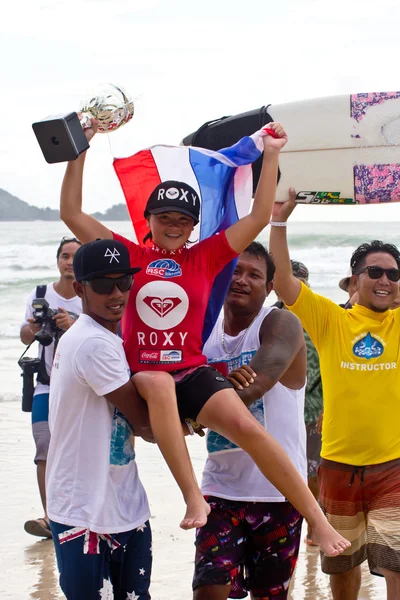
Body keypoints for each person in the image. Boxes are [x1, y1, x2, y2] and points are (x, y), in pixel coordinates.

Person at [58, 116, 350, 556]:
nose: (173, 225)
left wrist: (271, 156)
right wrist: (80, 149)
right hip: (143, 373)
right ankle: (193, 495)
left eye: (183, 219)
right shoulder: (130, 255)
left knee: (248, 429)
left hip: (191, 370)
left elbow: (256, 216)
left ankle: (318, 520)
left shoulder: (206, 256)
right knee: (157, 381)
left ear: (194, 225)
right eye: (164, 217)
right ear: (149, 219)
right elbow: (71, 213)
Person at [270, 188, 400, 600]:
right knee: (343, 566)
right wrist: (278, 221)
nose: (384, 280)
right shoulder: (330, 320)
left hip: (392, 466)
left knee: (397, 560)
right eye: (375, 272)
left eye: (393, 275)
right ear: (355, 279)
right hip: (337, 466)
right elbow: (283, 281)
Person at [193, 242, 307, 600]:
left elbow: (260, 379)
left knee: (269, 596)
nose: (241, 280)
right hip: (220, 489)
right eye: (235, 271)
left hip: (279, 491)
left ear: (269, 287)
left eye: (254, 274)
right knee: (208, 588)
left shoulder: (281, 322)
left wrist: (197, 405)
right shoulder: (204, 332)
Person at [46, 239, 152, 600]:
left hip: (124, 504)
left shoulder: (108, 337)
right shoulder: (93, 343)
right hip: (85, 513)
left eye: (125, 282)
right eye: (104, 285)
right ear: (79, 288)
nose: (117, 294)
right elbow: (144, 424)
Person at [20, 236, 82, 538]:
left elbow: (112, 332)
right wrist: (34, 327)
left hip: (83, 388)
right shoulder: (41, 293)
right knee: (44, 448)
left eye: (75, 256)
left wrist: (74, 322)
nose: (69, 262)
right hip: (47, 384)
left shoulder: (91, 295)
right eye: (65, 256)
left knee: (82, 450)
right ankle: (50, 517)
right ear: (57, 260)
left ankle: (81, 510)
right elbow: (23, 336)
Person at [276, 259, 324, 547]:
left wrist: (326, 407)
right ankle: (285, 524)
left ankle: (314, 526)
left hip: (313, 409)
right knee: (282, 469)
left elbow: (332, 366)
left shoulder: (318, 318)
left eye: (301, 282)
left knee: (313, 470)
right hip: (280, 410)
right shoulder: (267, 318)